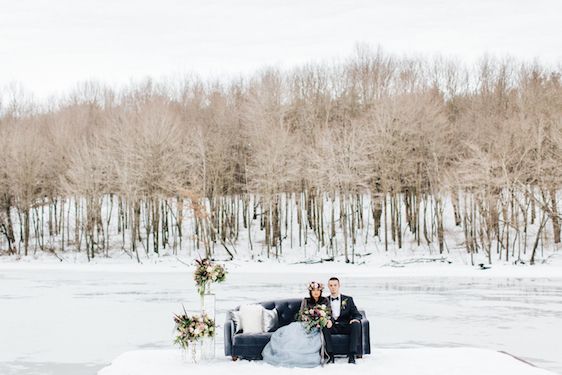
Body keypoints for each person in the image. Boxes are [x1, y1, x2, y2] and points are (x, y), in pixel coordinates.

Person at [261, 281, 332, 367]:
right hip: (306, 324)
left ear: (321, 291)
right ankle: (288, 352)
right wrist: (309, 317)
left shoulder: (325, 300)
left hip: (318, 326)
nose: (316, 292)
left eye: (318, 290)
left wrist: (320, 318)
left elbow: (328, 314)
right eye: (313, 290)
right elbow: (302, 314)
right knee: (292, 333)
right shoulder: (306, 300)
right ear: (310, 292)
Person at [322, 277, 362, 364]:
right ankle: (330, 355)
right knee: (324, 326)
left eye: (335, 285)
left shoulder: (348, 299)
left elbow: (357, 314)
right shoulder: (324, 300)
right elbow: (322, 315)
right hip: (331, 325)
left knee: (356, 324)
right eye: (331, 285)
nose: (333, 287)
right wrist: (326, 320)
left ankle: (352, 355)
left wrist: (355, 319)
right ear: (328, 287)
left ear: (339, 286)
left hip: (345, 325)